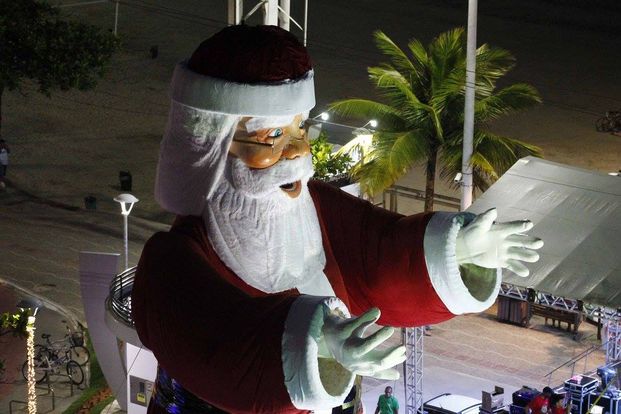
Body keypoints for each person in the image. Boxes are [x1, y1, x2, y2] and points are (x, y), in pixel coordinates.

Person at [131, 24, 543, 414]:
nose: (297, 151)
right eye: (271, 137)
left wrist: (458, 252)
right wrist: (315, 343)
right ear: (211, 145)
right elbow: (220, 351)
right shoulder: (172, 261)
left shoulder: (317, 207)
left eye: (299, 130)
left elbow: (381, 255)